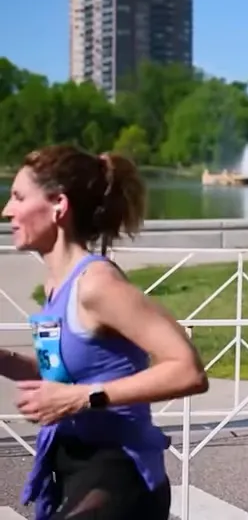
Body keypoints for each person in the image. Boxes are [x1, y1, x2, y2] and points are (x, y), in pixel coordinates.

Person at [0, 145, 209, 519]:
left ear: (58, 206)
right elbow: (68, 377)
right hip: (71, 465)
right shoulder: (56, 285)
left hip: (119, 475)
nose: (7, 211)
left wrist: (81, 398)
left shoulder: (96, 284)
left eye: (18, 197)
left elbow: (187, 369)